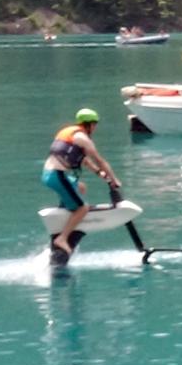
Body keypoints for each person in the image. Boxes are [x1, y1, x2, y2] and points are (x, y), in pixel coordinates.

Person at [42, 108, 122, 255]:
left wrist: (100, 174)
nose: (95, 128)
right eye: (95, 124)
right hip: (57, 175)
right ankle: (62, 237)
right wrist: (114, 179)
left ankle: (65, 216)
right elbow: (100, 161)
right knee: (82, 208)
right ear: (90, 124)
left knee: (80, 187)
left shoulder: (69, 133)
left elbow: (83, 159)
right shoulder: (83, 139)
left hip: (49, 174)